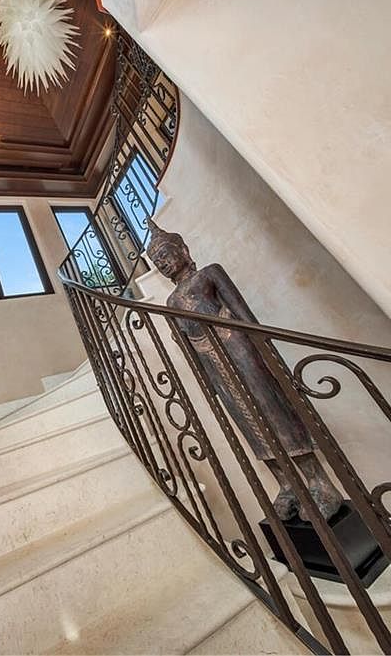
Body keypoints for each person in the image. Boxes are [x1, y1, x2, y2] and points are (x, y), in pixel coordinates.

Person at [147, 219, 343, 521]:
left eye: (165, 253)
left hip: (238, 347)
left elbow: (243, 314)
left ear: (183, 249)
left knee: (274, 411)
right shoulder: (171, 301)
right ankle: (287, 483)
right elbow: (185, 343)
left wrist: (266, 350)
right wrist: (204, 379)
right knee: (247, 421)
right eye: (157, 260)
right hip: (212, 363)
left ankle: (320, 483)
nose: (162, 262)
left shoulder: (208, 275)